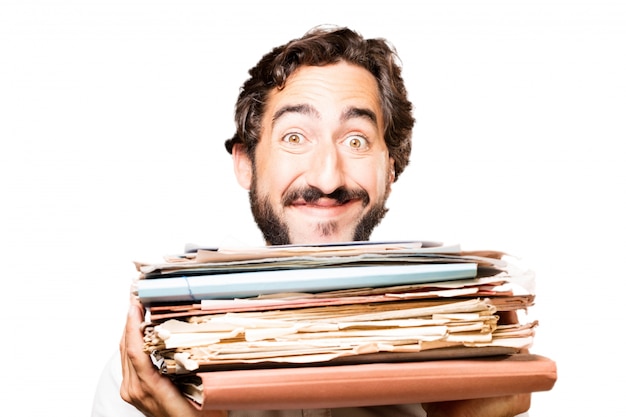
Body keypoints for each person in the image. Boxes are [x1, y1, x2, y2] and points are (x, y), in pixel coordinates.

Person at [91, 26, 531, 417]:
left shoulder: (466, 363)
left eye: (356, 140)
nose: (326, 179)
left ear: (391, 170)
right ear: (246, 164)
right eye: (295, 137)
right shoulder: (149, 377)